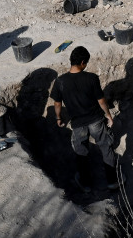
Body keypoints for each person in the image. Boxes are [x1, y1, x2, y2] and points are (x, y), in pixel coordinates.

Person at [51, 46, 119, 192]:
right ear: (82, 62)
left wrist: (58, 118)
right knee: (106, 146)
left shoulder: (60, 82)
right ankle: (112, 181)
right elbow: (101, 101)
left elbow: (57, 103)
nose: (86, 65)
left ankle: (86, 184)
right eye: (86, 63)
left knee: (81, 152)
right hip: (95, 120)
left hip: (78, 124)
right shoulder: (92, 78)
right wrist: (108, 115)